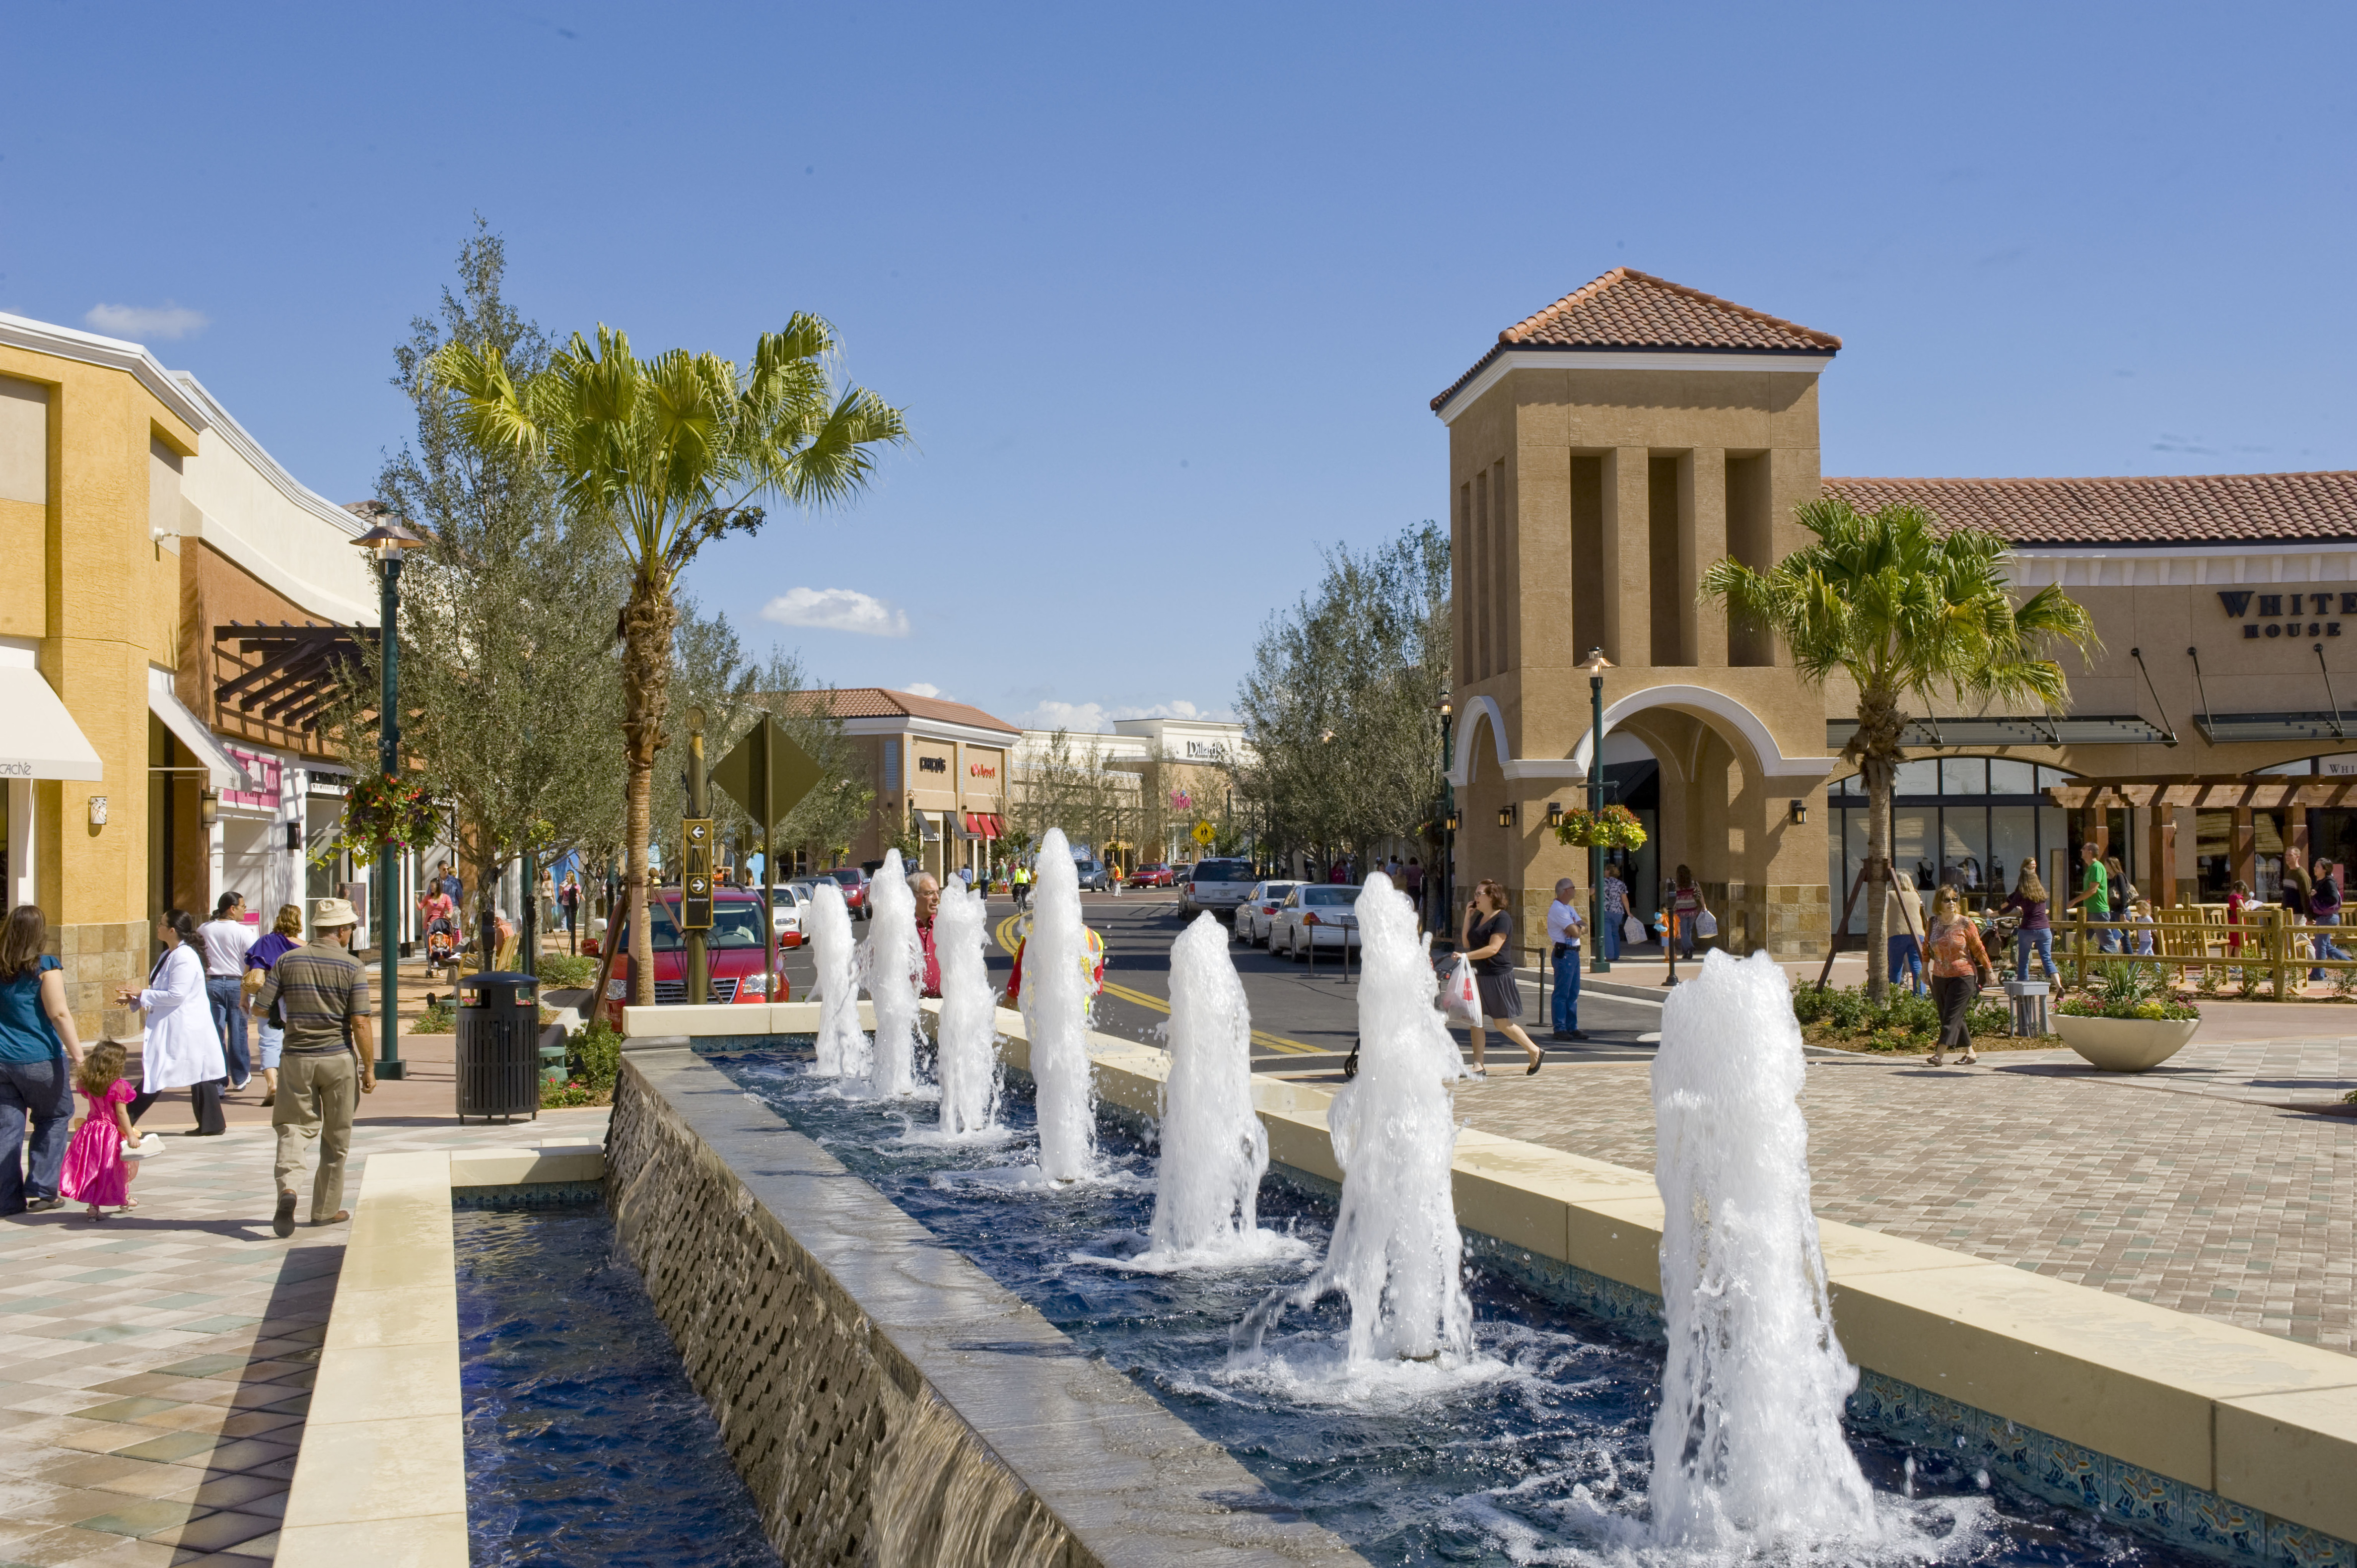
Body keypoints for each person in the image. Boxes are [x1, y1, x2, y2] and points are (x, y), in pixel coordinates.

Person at [255, 897, 376, 1236]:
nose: (351, 932)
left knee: (293, 1128)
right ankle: (324, 1210)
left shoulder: (286, 961)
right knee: (336, 1137)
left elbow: (261, 1008)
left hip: (296, 1058)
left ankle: (289, 1189)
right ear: (340, 931)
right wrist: (369, 1067)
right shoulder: (353, 966)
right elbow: (361, 1021)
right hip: (338, 1057)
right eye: (350, 927)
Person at [1, 903, 85, 1216]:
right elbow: (59, 1013)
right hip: (40, 1058)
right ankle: (42, 1190)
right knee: (53, 1118)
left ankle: (6, 1199)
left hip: (2, 1061)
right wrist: (79, 1056)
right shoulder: (45, 967)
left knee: (7, 1128)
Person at [118, 909, 227, 1136]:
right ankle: (212, 1124)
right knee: (199, 1072)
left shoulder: (184, 957)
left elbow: (176, 995)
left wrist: (143, 993)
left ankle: (126, 1118)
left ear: (172, 930)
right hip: (178, 1025)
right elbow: (160, 990)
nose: (157, 927)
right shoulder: (169, 954)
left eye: (161, 924)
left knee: (160, 1070)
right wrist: (136, 997)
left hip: (185, 1027)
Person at [1459, 880, 1543, 1075]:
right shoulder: (1479, 917)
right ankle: (1478, 1065)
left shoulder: (1502, 918)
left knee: (1501, 1022)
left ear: (1491, 896)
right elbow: (1466, 942)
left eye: (1480, 894)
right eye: (1476, 894)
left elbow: (1493, 948)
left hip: (1497, 976)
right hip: (1479, 975)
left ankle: (1535, 1051)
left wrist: (1466, 957)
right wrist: (1467, 917)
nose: (1476, 897)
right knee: (1476, 1019)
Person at [59, 1039, 140, 1221]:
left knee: (93, 1169)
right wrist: (129, 1135)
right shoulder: (119, 1085)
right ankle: (123, 1199)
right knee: (115, 1168)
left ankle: (93, 1207)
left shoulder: (89, 1081)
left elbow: (87, 1095)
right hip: (110, 1133)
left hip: (90, 1131)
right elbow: (121, 1112)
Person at [1923, 885, 1993, 1069]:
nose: (1952, 903)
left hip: (1963, 975)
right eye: (1947, 900)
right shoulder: (1933, 923)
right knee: (1953, 1016)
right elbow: (1926, 949)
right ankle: (1970, 1053)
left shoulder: (1965, 923)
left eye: (1955, 899)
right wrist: (1924, 970)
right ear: (1939, 902)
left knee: (1951, 1017)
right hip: (1939, 975)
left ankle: (1939, 1055)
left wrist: (1989, 970)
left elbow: (1978, 948)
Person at [243, 904, 304, 1108]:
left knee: (269, 1041)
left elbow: (249, 971)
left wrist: (244, 997)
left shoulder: (264, 942)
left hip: (267, 998)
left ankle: (272, 1083)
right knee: (296, 1042)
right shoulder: (305, 947)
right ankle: (296, 1087)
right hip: (297, 999)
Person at [198, 892, 256, 1092]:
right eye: (243, 906)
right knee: (238, 1032)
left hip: (212, 983)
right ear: (232, 908)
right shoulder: (244, 932)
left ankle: (218, 1082)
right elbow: (251, 960)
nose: (245, 910)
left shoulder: (204, 929)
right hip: (236, 984)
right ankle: (240, 1077)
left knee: (215, 1034)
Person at [1000, 912, 1107, 1007]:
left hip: (1037, 1020)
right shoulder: (1093, 938)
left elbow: (1015, 992)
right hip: (1077, 1021)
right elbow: (1093, 989)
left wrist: (1001, 1020)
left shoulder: (1034, 938)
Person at [1545, 878, 1586, 1041]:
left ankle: (1572, 1026)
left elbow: (1583, 925)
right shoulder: (1558, 910)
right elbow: (1575, 932)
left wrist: (1579, 927)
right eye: (1573, 888)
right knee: (1562, 992)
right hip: (1565, 953)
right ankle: (1560, 1027)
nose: (1575, 890)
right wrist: (1578, 929)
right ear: (1566, 891)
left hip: (1573, 953)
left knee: (1573, 992)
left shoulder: (1568, 908)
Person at [2000, 859, 2054, 982]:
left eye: (2035, 866)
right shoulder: (2040, 890)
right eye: (2031, 867)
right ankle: (2059, 985)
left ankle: (2022, 985)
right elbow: (2012, 901)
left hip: (2028, 927)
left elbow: (2010, 905)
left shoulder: (2025, 889)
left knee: (2023, 958)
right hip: (2043, 927)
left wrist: (1994, 913)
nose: (2033, 869)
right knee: (2047, 958)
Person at [1885, 870, 1928, 997]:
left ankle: (1893, 995)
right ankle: (1920, 996)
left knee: (1896, 966)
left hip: (1897, 932)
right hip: (1917, 932)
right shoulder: (1916, 895)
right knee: (1917, 965)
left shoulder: (1890, 894)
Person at [2067, 841, 2111, 954]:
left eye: (2084, 849)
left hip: (2098, 911)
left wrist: (2074, 901)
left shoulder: (2097, 867)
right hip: (2089, 911)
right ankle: (2075, 969)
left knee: (2108, 944)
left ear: (2090, 852)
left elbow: (2093, 890)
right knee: (2079, 942)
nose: (2081, 851)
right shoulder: (2091, 868)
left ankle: (2117, 970)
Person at [2309, 858, 2348, 980]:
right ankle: (2351, 966)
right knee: (2327, 946)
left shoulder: (2329, 882)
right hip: (2324, 917)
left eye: (2318, 867)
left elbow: (2334, 899)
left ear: (2325, 869)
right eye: (2315, 866)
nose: (2315, 869)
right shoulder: (2320, 881)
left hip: (2328, 917)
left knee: (2320, 945)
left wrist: (2317, 895)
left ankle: (2318, 974)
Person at [911, 872, 944, 999]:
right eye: (930, 893)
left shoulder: (944, 925)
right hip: (908, 1008)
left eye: (938, 892)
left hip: (943, 1005)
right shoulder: (899, 928)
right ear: (912, 896)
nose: (936, 898)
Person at [1669, 867, 1705, 959]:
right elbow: (1700, 895)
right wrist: (1704, 906)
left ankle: (1689, 947)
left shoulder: (1676, 885)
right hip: (1692, 910)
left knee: (1683, 931)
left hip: (1681, 911)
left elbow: (1673, 898)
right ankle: (1686, 953)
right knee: (1688, 930)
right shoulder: (1694, 883)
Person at [1598, 864, 1628, 963]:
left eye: (1605, 870)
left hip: (1606, 910)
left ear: (1608, 871)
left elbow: (1591, 892)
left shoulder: (1601, 882)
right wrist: (1629, 912)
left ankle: (1610, 956)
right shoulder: (1621, 884)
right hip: (1618, 912)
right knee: (1615, 933)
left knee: (1607, 934)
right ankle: (1616, 955)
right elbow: (1624, 899)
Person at [560, 874, 581, 954]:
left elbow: (579, 893)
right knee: (567, 915)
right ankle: (570, 928)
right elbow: (561, 894)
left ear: (571, 877)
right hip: (565, 902)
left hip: (573, 903)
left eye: (568, 876)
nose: (566, 878)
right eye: (566, 876)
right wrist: (561, 888)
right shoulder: (564, 885)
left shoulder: (576, 885)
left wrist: (584, 899)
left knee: (571, 915)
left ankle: (572, 928)